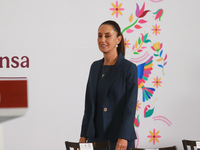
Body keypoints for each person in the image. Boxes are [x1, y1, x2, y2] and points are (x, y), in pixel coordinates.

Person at [79, 20, 138, 150]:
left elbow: (130, 106)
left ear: (118, 39)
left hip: (119, 139)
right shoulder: (95, 67)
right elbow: (89, 106)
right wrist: (83, 135)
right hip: (95, 137)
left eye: (107, 36)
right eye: (99, 36)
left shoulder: (129, 68)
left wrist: (124, 136)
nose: (102, 40)